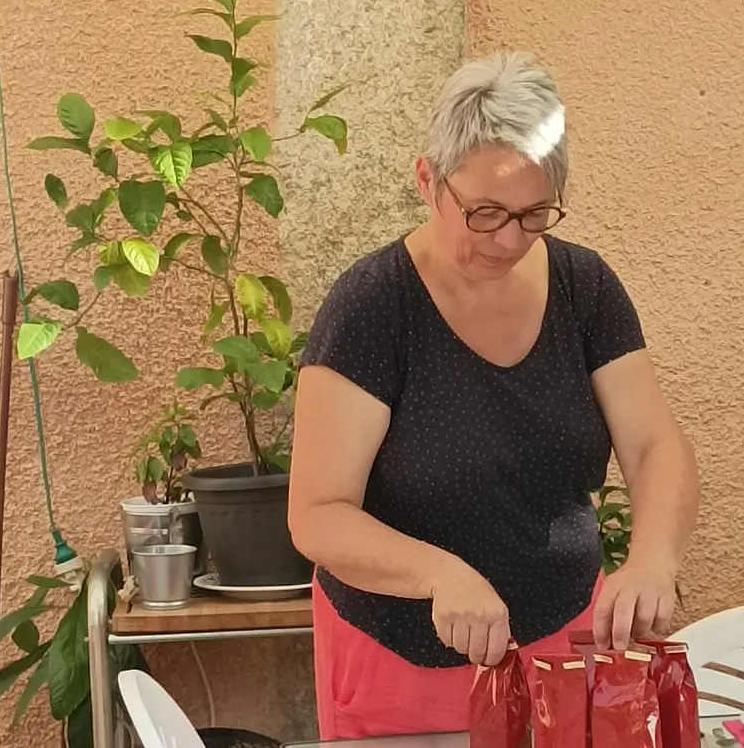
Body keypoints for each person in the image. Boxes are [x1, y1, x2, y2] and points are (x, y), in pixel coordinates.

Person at [288, 51, 700, 740]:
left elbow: (656, 444)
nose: (509, 240)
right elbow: (318, 515)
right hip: (402, 659)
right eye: (483, 213)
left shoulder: (585, 289)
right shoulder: (372, 307)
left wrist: (654, 557)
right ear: (428, 181)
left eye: (534, 214)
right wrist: (437, 574)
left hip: (567, 646)